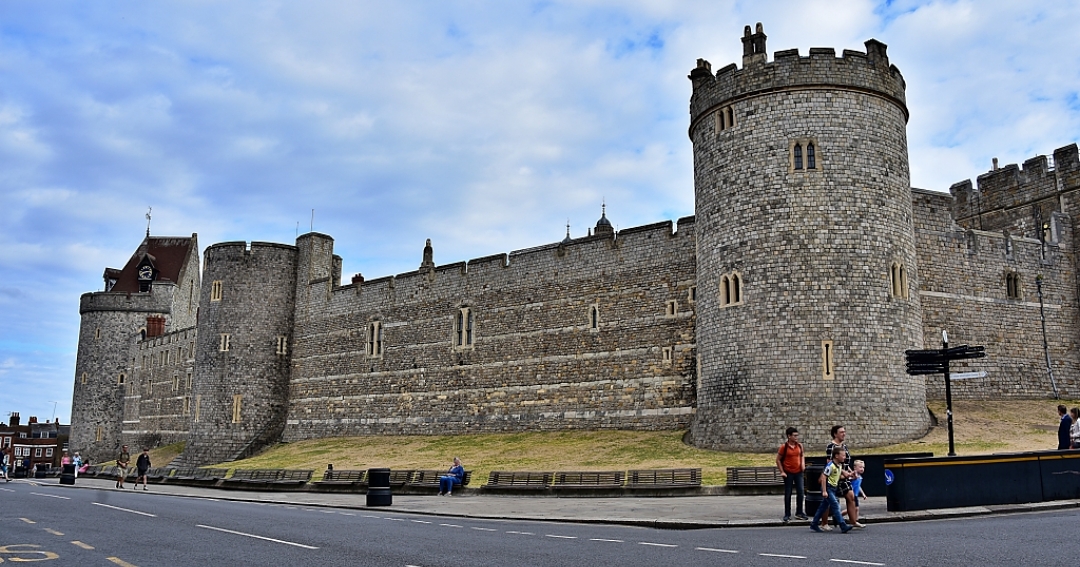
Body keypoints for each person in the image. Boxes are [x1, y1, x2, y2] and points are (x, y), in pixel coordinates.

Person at [819, 425, 854, 530]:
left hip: (844, 477)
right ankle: (824, 523)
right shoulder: (831, 446)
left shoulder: (844, 446)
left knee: (851, 496)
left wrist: (851, 472)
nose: (844, 434)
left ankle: (853, 521)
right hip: (834, 477)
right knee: (828, 501)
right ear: (835, 434)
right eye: (841, 432)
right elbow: (830, 463)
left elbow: (846, 461)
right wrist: (842, 472)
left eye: (844, 432)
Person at [810, 448, 853, 534]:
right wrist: (824, 491)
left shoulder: (839, 465)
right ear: (836, 456)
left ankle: (814, 523)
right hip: (828, 488)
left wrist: (849, 476)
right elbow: (823, 478)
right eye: (843, 455)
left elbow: (838, 476)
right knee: (835, 505)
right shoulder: (830, 466)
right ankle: (842, 525)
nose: (844, 457)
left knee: (823, 507)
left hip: (833, 488)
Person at [776, 426, 807, 522]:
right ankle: (787, 514)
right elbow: (778, 460)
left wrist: (802, 465)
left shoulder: (799, 446)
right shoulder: (784, 447)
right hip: (788, 472)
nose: (796, 437)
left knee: (801, 492)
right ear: (789, 436)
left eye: (797, 435)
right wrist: (782, 472)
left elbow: (802, 455)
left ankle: (799, 512)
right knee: (788, 493)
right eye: (794, 435)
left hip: (798, 472)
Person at [849, 459, 867, 528]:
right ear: (855, 468)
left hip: (855, 494)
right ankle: (855, 521)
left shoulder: (860, 477)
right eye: (860, 467)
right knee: (855, 508)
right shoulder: (854, 475)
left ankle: (855, 521)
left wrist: (863, 494)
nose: (862, 469)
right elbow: (849, 480)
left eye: (863, 467)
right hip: (852, 494)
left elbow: (859, 486)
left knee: (856, 508)